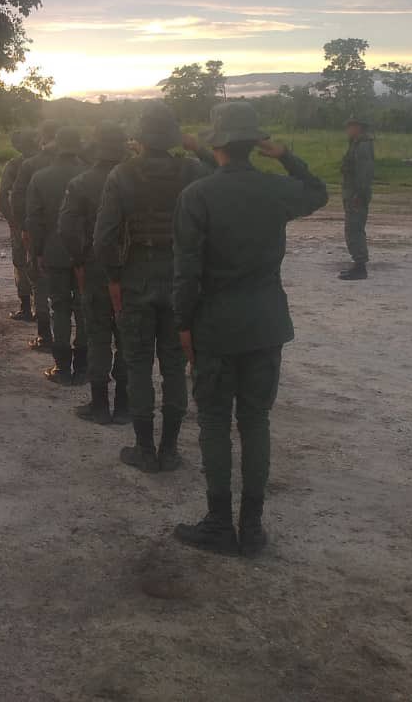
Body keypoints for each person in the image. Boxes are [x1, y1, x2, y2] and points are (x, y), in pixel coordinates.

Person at [172, 102, 328, 556]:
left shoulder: (196, 196)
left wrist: (183, 324)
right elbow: (317, 192)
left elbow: (187, 272)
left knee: (216, 424)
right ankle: (253, 528)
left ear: (217, 145)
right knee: (256, 421)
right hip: (266, 323)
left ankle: (219, 524)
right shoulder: (275, 190)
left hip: (215, 325)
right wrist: (284, 155)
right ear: (254, 145)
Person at [94, 101, 209, 474]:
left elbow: (104, 237)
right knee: (174, 365)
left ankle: (144, 448)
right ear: (174, 137)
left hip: (136, 275)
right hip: (179, 275)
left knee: (139, 363)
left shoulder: (121, 174)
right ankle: (170, 450)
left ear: (140, 138)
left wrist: (114, 278)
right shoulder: (192, 171)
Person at [58, 123, 131, 423]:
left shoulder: (81, 182)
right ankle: (125, 406)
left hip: (96, 266)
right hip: (132, 268)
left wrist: (79, 259)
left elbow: (66, 228)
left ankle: (99, 405)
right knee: (128, 336)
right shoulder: (136, 179)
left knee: (98, 334)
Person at [25, 127, 87, 384]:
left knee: (59, 307)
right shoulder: (91, 174)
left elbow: (34, 220)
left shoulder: (40, 177)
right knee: (84, 309)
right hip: (87, 254)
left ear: (57, 145)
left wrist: (37, 252)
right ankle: (83, 368)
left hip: (55, 251)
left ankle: (62, 368)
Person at [11, 120, 61, 350]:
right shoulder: (82, 164)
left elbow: (17, 200)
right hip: (73, 235)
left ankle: (45, 336)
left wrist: (22, 229)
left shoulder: (30, 165)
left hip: (40, 232)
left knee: (40, 283)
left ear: (43, 138)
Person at [0, 130, 39, 322]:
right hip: (44, 223)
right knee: (41, 264)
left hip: (20, 222)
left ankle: (25, 308)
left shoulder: (14, 166)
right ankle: (42, 309)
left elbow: (2, 199)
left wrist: (13, 223)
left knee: (21, 264)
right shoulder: (47, 163)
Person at [339, 115, 375, 281]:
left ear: (358, 127)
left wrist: (358, 195)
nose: (348, 129)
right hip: (352, 193)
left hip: (356, 195)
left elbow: (364, 173)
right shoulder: (356, 144)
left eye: (350, 126)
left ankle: (360, 267)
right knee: (352, 228)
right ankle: (358, 265)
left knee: (354, 228)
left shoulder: (362, 146)